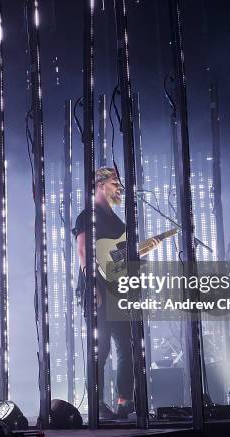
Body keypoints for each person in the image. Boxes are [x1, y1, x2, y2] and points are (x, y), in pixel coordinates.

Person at [72, 167, 134, 419]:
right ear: (100, 185)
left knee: (126, 347)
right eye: (114, 182)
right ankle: (96, 404)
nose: (119, 187)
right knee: (103, 347)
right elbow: (85, 251)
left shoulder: (117, 220)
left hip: (119, 289)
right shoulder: (89, 216)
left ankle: (124, 401)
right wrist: (93, 285)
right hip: (99, 289)